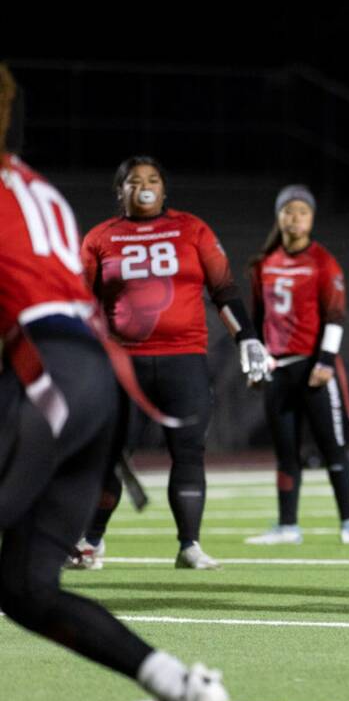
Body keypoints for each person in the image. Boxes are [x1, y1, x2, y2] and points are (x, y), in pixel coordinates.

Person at [0, 63, 230, 701]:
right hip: (95, 380)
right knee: (27, 587)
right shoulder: (35, 186)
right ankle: (173, 682)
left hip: (43, 373)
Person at [74, 156, 272, 570]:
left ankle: (190, 545)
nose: (144, 186)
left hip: (184, 359)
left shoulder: (192, 229)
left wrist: (247, 338)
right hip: (123, 366)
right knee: (109, 455)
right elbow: (80, 303)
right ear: (120, 191)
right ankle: (90, 541)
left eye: (152, 179)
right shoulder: (99, 238)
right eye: (134, 180)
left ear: (164, 190)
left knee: (187, 452)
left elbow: (223, 289)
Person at [245, 185, 349, 546]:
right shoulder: (263, 263)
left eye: (303, 212)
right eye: (289, 211)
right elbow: (258, 319)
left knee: (332, 447)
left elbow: (336, 315)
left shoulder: (322, 261)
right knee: (285, 451)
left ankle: (348, 524)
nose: (295, 218)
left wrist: (326, 360)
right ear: (278, 215)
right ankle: (287, 526)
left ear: (312, 218)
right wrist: (256, 362)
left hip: (313, 368)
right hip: (278, 368)